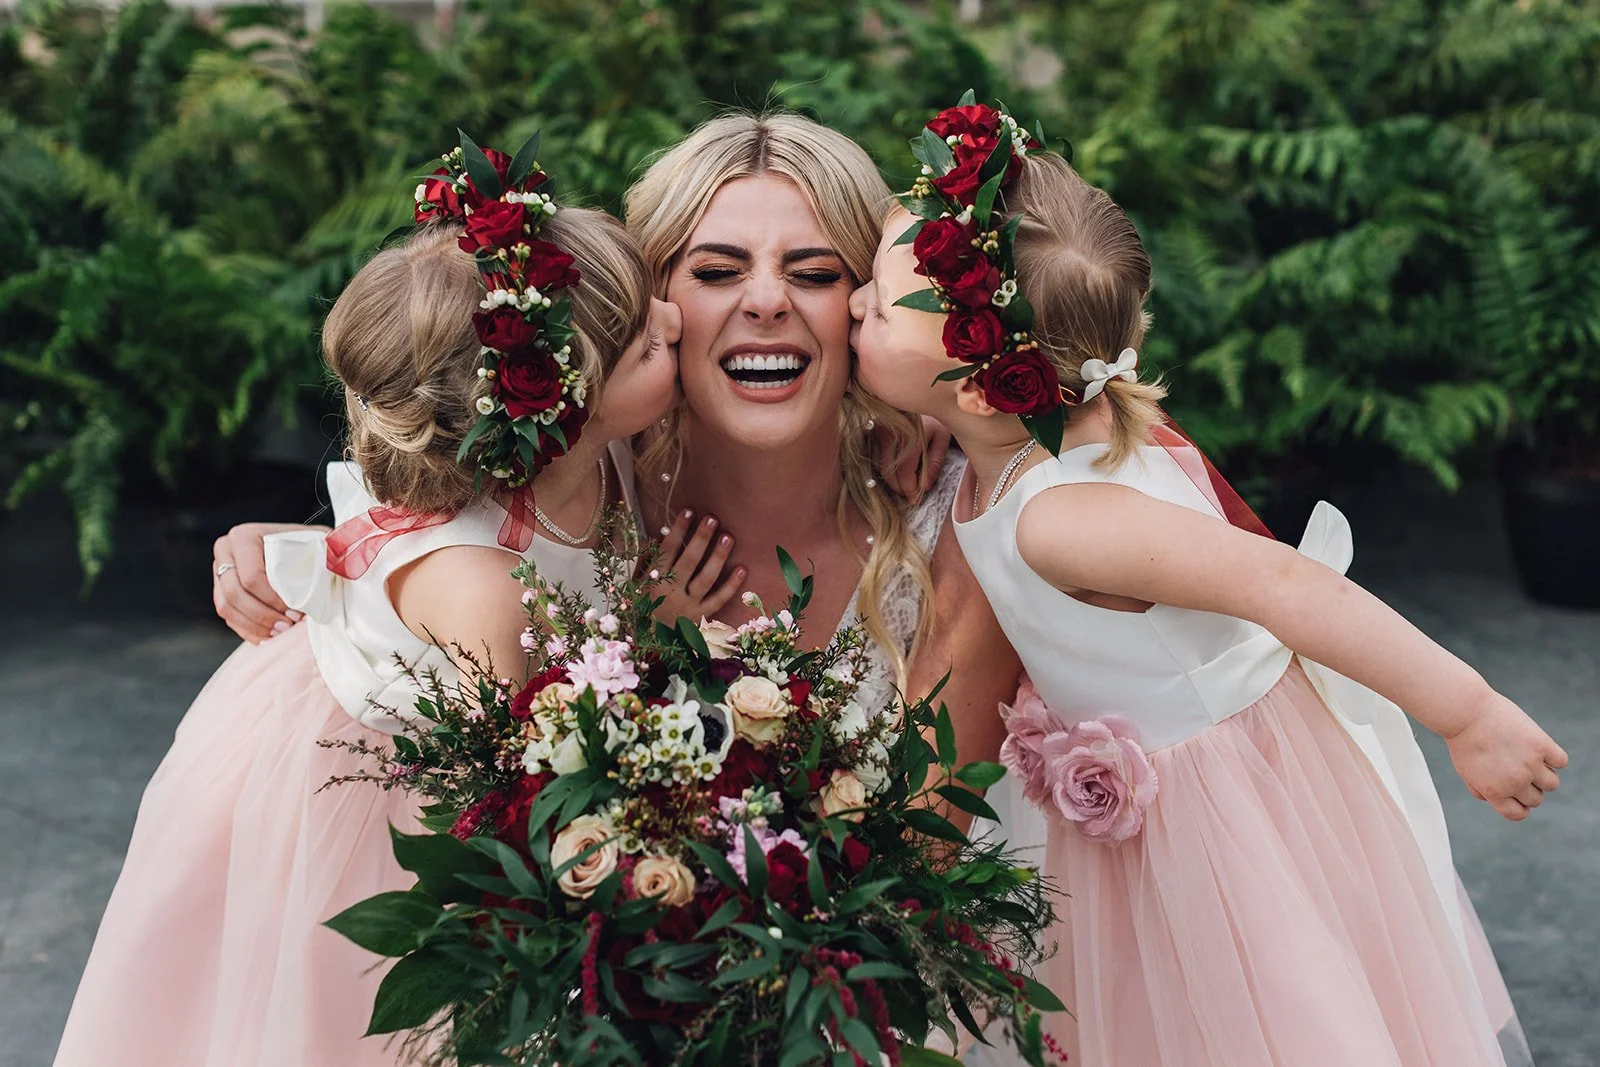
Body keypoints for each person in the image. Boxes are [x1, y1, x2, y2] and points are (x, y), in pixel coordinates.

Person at [850, 98, 1562, 1066]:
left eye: (876, 303)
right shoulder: (1034, 438)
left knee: (1266, 1023)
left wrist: (1467, 712)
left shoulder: (1065, 517)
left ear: (979, 385)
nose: (852, 299)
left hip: (1213, 826)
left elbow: (1284, 583)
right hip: (1143, 815)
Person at [54, 144, 685, 1066]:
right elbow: (515, 795)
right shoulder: (481, 585)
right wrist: (656, 617)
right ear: (566, 407)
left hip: (481, 737)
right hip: (389, 797)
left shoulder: (604, 457)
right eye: (649, 343)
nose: (676, 313)